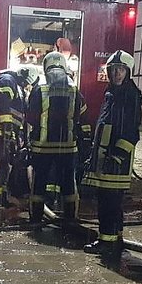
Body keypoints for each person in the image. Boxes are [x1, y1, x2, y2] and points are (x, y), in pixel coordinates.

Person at [81, 50, 142, 257]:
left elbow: (131, 130)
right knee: (111, 200)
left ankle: (106, 242)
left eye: (121, 70)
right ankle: (116, 238)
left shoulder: (130, 94)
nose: (117, 74)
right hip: (105, 156)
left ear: (128, 72)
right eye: (114, 69)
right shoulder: (112, 93)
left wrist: (117, 155)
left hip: (116, 160)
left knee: (108, 201)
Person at [25, 51, 87, 227]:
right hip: (67, 147)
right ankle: (70, 220)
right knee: (68, 185)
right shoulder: (74, 89)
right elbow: (81, 114)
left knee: (39, 185)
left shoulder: (39, 88)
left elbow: (31, 117)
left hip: (42, 147)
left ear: (46, 66)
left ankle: (36, 220)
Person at [0, 66, 39, 219]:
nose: (25, 86)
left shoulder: (15, 84)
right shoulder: (6, 80)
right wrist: (7, 130)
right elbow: (3, 105)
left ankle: (0, 199)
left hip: (2, 133)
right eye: (25, 82)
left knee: (4, 168)